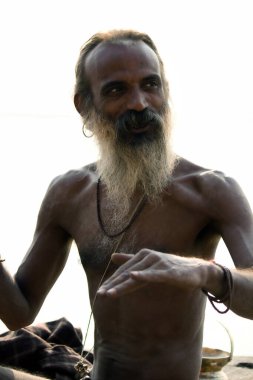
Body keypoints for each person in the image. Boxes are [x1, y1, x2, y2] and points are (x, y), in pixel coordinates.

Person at [1, 29, 253, 380]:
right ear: (84, 105)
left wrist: (205, 272)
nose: (139, 103)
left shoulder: (211, 190)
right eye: (117, 90)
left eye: (150, 84)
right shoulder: (67, 193)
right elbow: (19, 313)